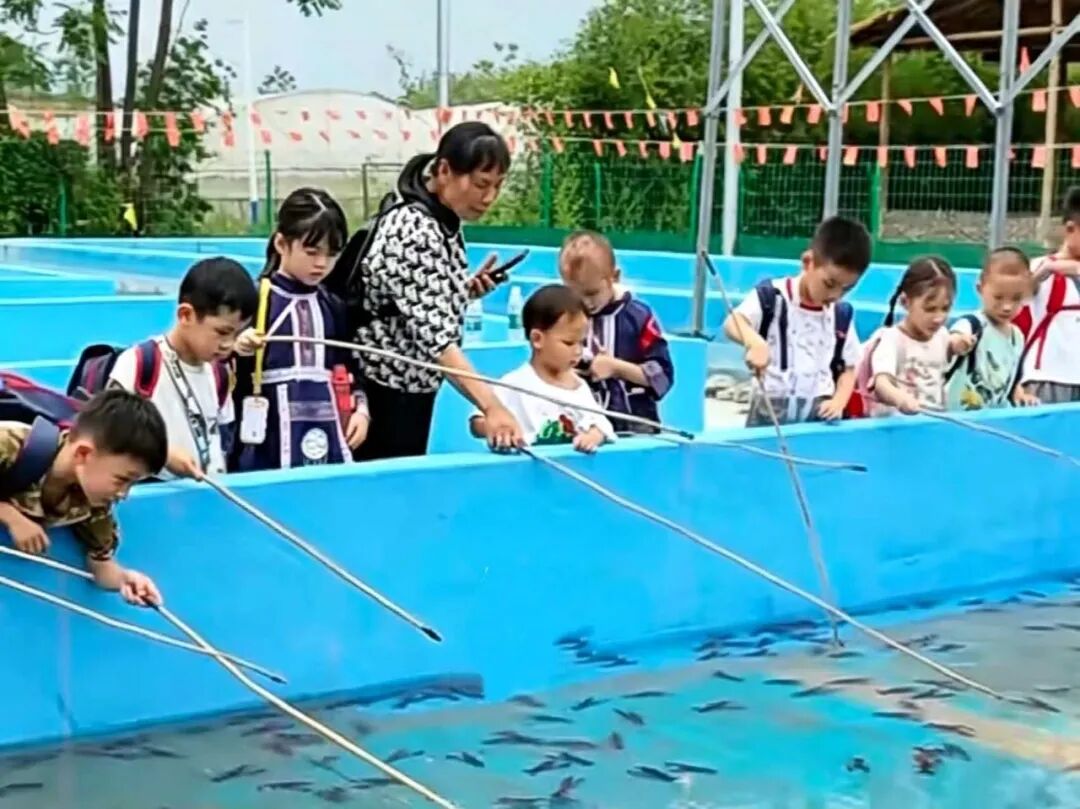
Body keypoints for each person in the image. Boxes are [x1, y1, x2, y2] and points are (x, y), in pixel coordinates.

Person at [349, 122, 523, 459]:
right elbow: (438, 340)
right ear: (444, 170)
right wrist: (493, 407)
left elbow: (413, 301)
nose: (489, 197)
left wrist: (462, 291)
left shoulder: (442, 220)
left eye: (498, 186)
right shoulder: (413, 229)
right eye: (481, 184)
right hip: (382, 394)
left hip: (410, 391)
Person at [231, 189, 369, 471]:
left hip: (326, 429)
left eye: (332, 254)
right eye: (311, 252)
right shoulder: (256, 300)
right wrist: (235, 347)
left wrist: (361, 410)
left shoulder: (332, 305)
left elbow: (348, 365)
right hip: (266, 437)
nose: (321, 263)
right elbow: (214, 360)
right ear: (282, 244)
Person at [0, 389, 166, 606]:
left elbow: (101, 564)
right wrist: (11, 517)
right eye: (122, 479)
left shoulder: (93, 502)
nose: (123, 494)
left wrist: (124, 580)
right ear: (83, 454)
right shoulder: (9, 444)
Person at [109, 257, 257, 480]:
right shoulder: (139, 363)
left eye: (237, 334)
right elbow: (109, 434)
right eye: (222, 332)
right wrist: (164, 455)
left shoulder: (220, 375)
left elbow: (222, 441)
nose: (228, 344)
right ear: (186, 315)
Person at [722, 216, 871, 426]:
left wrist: (838, 402)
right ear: (808, 262)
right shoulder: (771, 297)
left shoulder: (840, 316)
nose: (835, 295)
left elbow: (850, 366)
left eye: (846, 289)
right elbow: (733, 322)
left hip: (818, 414)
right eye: (829, 284)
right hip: (770, 410)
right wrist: (754, 342)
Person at [470, 285, 614, 453]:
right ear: (537, 339)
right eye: (568, 343)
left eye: (581, 343)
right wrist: (497, 430)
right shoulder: (515, 383)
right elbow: (477, 421)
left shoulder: (579, 387)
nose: (578, 351)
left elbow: (601, 424)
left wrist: (593, 436)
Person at [557, 230, 674, 434]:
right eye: (576, 294)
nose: (586, 303)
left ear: (615, 277)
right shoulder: (565, 316)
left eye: (592, 293)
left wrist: (616, 368)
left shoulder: (638, 318)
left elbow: (663, 376)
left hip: (634, 426)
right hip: (580, 425)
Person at [859, 256, 966, 416]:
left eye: (945, 309)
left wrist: (958, 343)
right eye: (930, 309)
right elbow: (881, 383)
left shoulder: (942, 335)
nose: (938, 318)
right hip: (898, 425)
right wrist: (900, 399)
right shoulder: (892, 340)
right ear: (905, 302)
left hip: (932, 423)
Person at [946, 248, 1037, 411]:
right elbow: (952, 340)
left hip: (993, 420)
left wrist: (1021, 395)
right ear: (980, 289)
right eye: (998, 297)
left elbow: (1010, 380)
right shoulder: (972, 324)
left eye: (1016, 298)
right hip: (958, 417)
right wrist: (957, 343)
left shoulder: (1017, 337)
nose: (1007, 306)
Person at [1014, 186, 1080, 405]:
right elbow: (1014, 297)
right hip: (1048, 377)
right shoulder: (1040, 267)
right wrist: (1043, 273)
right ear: (1070, 229)